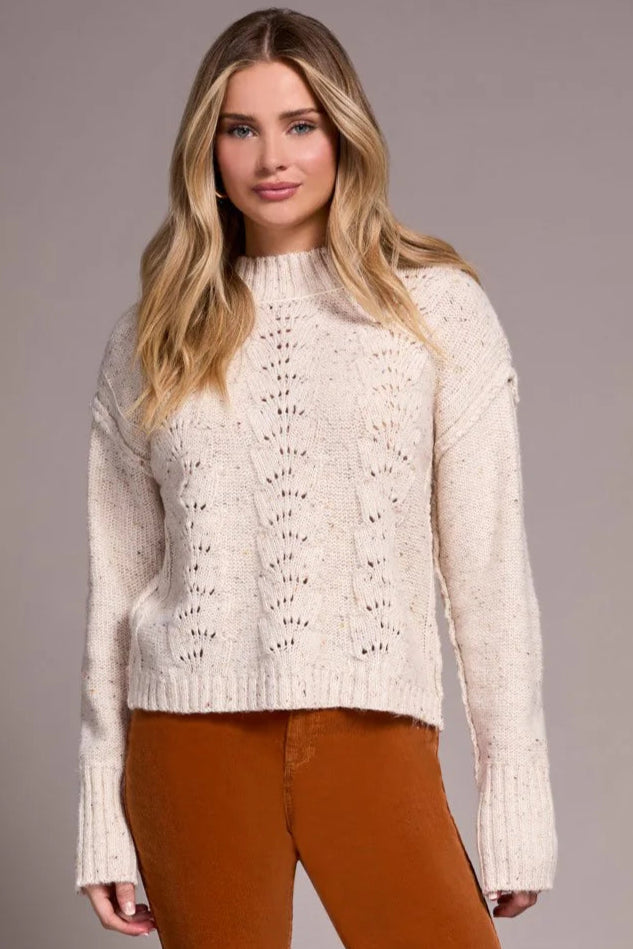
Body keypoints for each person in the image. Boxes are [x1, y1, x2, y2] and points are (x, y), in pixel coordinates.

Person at [74, 7, 557, 946]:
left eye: (300, 124)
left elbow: (490, 573)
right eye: (240, 129)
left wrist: (515, 802)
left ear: (344, 132)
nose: (271, 159)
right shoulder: (150, 336)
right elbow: (117, 586)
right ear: (206, 149)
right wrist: (101, 808)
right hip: (188, 740)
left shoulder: (435, 312)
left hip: (369, 731)